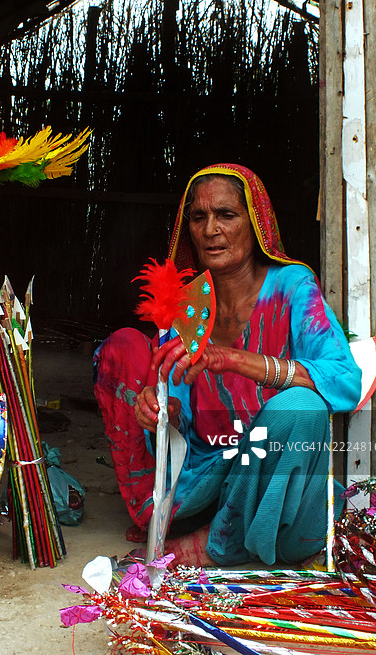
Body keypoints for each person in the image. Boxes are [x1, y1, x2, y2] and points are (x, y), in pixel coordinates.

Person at [93, 163, 362, 566]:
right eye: (199, 217)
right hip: (207, 480)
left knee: (301, 408)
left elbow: (344, 381)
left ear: (255, 225)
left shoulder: (292, 287)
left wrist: (236, 360)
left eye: (226, 215)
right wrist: (158, 409)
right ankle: (218, 530)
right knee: (124, 347)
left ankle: (214, 544)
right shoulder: (186, 303)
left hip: (278, 487)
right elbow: (179, 416)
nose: (210, 229)